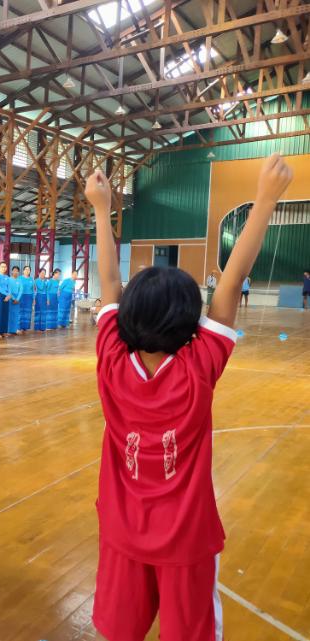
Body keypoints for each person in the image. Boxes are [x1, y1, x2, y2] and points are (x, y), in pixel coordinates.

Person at [85, 154, 293, 641]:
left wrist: (101, 209)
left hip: (121, 532)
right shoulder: (198, 369)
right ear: (190, 324)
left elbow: (109, 283)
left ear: (124, 318)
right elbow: (232, 282)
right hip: (186, 540)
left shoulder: (111, 359)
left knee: (120, 631)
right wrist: (266, 200)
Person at [0, 261, 11, 337]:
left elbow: (9, 287)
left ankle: (4, 331)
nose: (4, 268)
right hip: (0, 296)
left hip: (7, 296)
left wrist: (9, 295)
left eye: (5, 267)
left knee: (5, 313)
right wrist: (7, 294)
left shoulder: (7, 277)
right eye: (2, 267)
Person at [8, 266, 23, 335]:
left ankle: (15, 329)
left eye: (17, 271)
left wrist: (17, 299)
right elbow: (9, 290)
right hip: (10, 298)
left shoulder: (19, 280)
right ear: (12, 271)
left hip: (18, 299)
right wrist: (13, 298)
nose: (15, 272)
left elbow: (21, 290)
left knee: (16, 314)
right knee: (10, 314)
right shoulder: (9, 279)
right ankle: (9, 330)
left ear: (18, 272)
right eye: (14, 270)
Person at [19, 265, 34, 332]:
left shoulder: (31, 279)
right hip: (21, 296)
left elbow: (33, 290)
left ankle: (25, 327)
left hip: (29, 297)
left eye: (29, 270)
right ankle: (19, 326)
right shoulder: (20, 278)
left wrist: (33, 298)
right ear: (23, 271)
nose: (27, 271)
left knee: (27, 312)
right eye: (26, 269)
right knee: (21, 311)